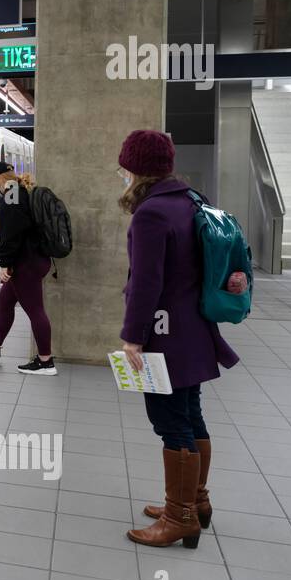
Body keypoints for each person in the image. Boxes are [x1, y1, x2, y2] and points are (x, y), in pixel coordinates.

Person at [117, 129, 242, 549]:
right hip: (195, 332)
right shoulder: (194, 202)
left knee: (171, 423)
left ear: (135, 168)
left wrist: (134, 338)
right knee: (191, 415)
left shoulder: (152, 214)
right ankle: (195, 500)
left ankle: (180, 517)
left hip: (165, 337)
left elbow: (146, 283)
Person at [0, 160, 56, 375]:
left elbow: (11, 233)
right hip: (35, 258)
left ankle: (46, 361)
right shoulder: (23, 189)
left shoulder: (12, 195)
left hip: (26, 263)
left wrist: (5, 263)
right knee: (5, 300)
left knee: (35, 310)